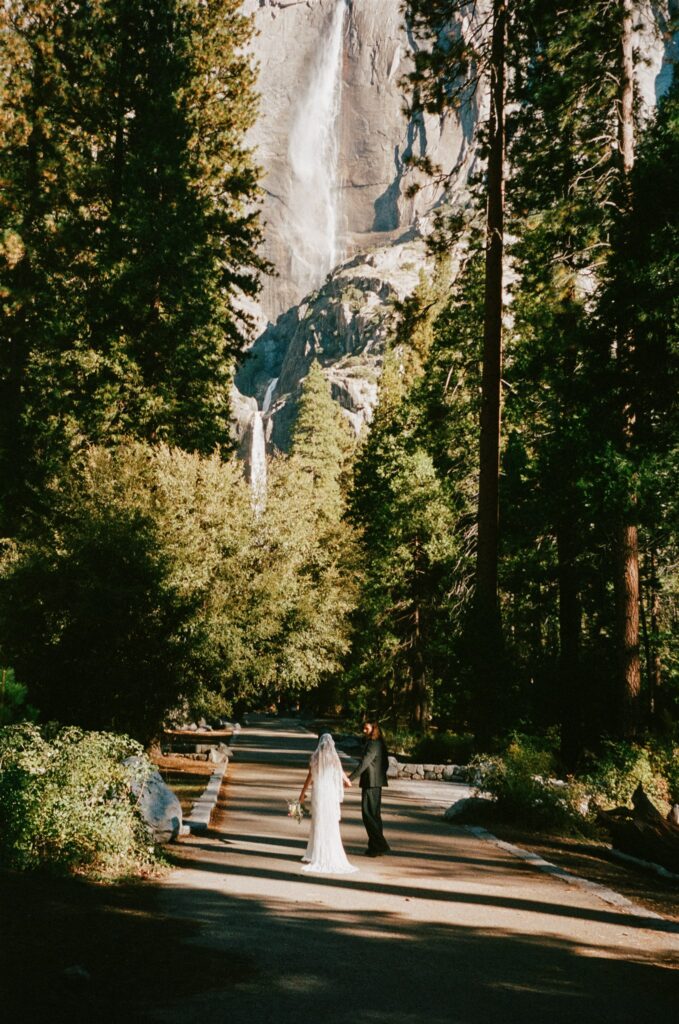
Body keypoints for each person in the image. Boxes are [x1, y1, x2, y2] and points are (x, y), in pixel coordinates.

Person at [298, 733, 357, 874]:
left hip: (319, 793)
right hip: (330, 794)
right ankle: (331, 853)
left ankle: (316, 854)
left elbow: (309, 778)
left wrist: (302, 793)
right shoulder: (335, 760)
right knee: (330, 823)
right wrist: (342, 783)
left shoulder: (314, 758)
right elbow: (347, 782)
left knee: (318, 822)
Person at [349, 719, 391, 857]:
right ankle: (374, 846)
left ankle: (380, 845)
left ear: (374, 728)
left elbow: (364, 764)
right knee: (374, 815)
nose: (363, 730)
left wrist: (349, 779)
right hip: (375, 782)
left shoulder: (373, 744)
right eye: (363, 728)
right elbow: (385, 764)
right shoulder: (379, 743)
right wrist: (380, 775)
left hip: (371, 783)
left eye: (366, 728)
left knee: (368, 814)